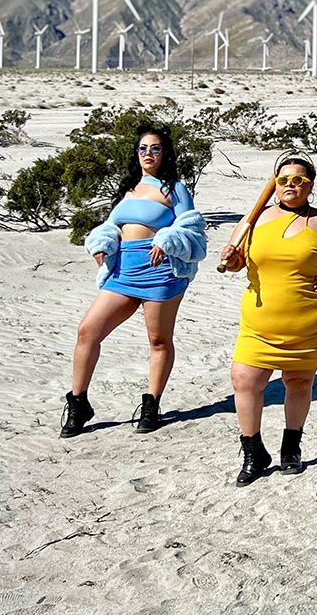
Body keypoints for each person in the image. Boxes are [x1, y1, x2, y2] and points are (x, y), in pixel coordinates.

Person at [219, 152, 317, 486]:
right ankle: (253, 452)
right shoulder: (254, 220)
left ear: (310, 185)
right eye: (283, 180)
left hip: (309, 320)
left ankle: (291, 447)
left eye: (298, 180)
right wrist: (229, 260)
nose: (290, 186)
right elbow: (237, 262)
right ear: (275, 184)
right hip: (260, 321)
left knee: (298, 382)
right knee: (245, 380)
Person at [63, 126, 207, 437]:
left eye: (155, 148)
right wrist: (102, 244)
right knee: (88, 331)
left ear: (164, 153)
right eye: (143, 148)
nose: (148, 154)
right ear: (136, 153)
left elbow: (193, 230)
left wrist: (168, 239)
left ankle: (151, 405)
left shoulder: (174, 188)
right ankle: (78, 403)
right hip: (123, 272)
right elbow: (112, 226)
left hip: (160, 271)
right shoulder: (128, 189)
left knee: (158, 340)